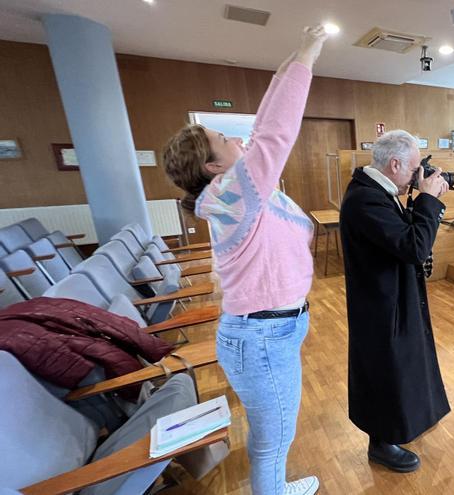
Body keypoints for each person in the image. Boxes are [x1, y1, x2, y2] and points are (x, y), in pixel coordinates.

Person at [160, 26, 327, 495]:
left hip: (274, 328)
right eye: (224, 139)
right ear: (214, 167)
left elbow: (261, 131)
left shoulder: (243, 193)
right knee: (275, 440)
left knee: (272, 436)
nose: (238, 140)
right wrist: (309, 54)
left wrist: (289, 61)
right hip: (261, 336)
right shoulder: (232, 195)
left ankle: (271, 488)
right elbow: (275, 132)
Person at [339, 130, 451, 473]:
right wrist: (428, 200)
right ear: (395, 164)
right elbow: (414, 247)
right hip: (380, 306)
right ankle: (381, 443)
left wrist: (420, 199)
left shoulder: (378, 191)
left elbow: (403, 239)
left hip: (391, 297)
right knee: (384, 371)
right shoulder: (365, 200)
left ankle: (401, 424)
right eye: (415, 168)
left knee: (401, 366)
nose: (418, 176)